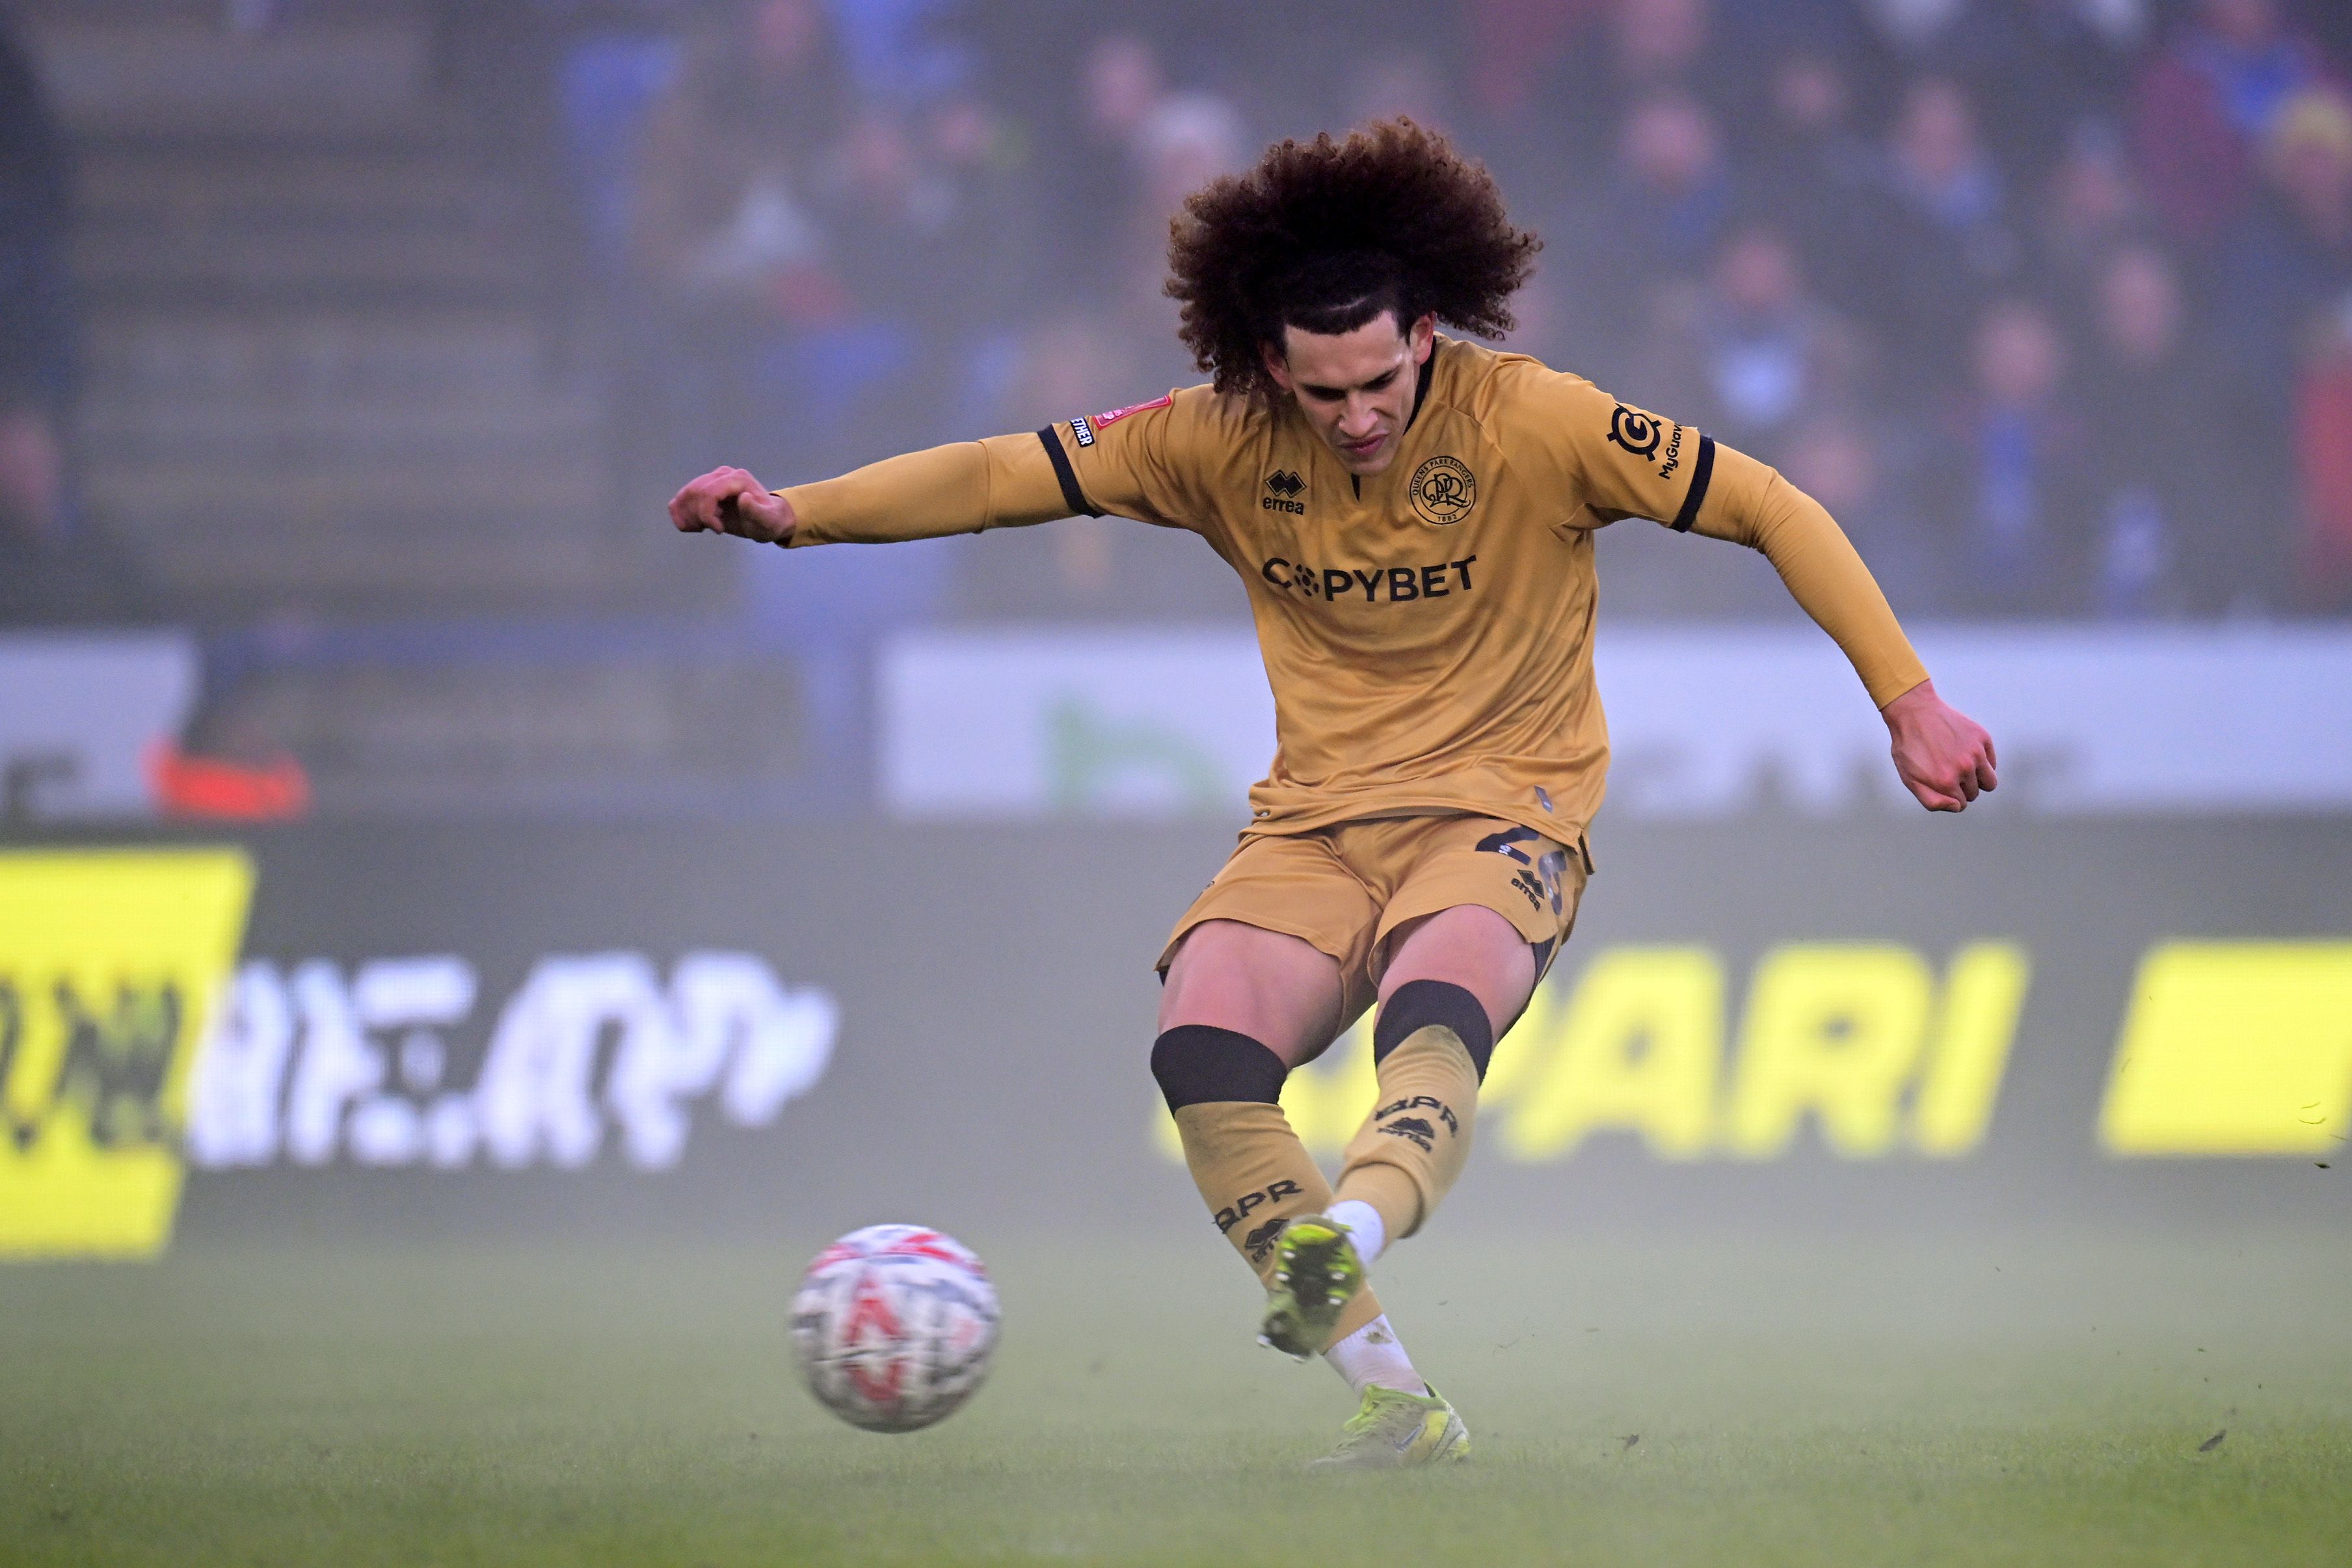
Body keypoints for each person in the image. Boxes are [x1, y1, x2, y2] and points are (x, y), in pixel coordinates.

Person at [667, 120, 1996, 1468]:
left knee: (1433, 1005)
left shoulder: (1538, 420)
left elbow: (1770, 503)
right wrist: (798, 513)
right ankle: (1398, 1404)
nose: (1358, 416)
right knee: (1199, 1048)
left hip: (1501, 812)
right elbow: (1009, 476)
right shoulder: (1212, 441)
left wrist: (1907, 698)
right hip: (1312, 823)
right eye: (1324, 394)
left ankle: (1347, 1230)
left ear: (1425, 333)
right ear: (1266, 368)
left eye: (1379, 380)